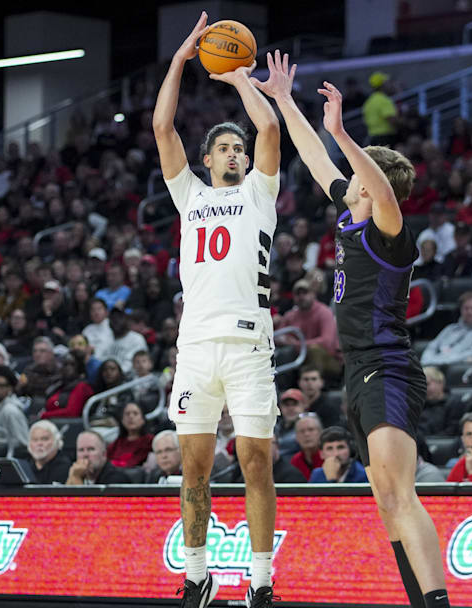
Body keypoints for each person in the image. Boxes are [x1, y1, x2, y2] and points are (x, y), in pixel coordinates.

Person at [258, 51, 451, 608]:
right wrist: (283, 101)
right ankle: (420, 599)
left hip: (388, 368)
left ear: (372, 184)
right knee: (385, 499)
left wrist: (343, 130)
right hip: (360, 372)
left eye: (360, 178)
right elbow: (315, 156)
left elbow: (378, 187)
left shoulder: (391, 231)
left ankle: (437, 602)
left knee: (400, 494)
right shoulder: (350, 210)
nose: (350, 184)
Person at [154, 15, 282, 606]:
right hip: (197, 347)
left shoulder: (260, 190)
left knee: (257, 464)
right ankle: (200, 574)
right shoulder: (190, 195)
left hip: (251, 346)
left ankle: (260, 581)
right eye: (224, 148)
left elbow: (270, 128)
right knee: (193, 472)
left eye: (239, 148)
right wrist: (181, 62)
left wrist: (237, 80)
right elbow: (162, 126)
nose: (235, 153)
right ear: (207, 159)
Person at [420, 291, 472, 367]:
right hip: (432, 363)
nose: (469, 312)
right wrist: (426, 360)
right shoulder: (451, 328)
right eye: (466, 308)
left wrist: (441, 361)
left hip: (454, 366)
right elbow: (432, 346)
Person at [0, 365, 29, 454]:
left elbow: (23, 442)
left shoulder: (11, 410)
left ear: (10, 388)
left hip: (10, 456)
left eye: (2, 386)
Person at [107, 402, 154, 468]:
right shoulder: (116, 443)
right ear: (122, 420)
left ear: (143, 419)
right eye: (127, 414)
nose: (131, 417)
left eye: (135, 413)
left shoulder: (150, 441)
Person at [25, 420, 72, 484]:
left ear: (57, 441)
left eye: (44, 439)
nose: (39, 443)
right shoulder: (24, 467)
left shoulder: (65, 467)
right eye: (35, 440)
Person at [289, 414, 323, 480]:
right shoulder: (295, 461)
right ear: (296, 437)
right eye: (302, 431)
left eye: (311, 429)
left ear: (320, 433)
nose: (306, 434)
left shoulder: (328, 457)